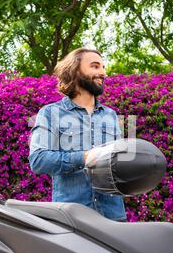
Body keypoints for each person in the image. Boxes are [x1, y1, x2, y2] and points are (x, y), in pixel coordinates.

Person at [28, 47, 127, 222]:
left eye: (103, 67)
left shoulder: (111, 115)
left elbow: (118, 163)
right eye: (95, 67)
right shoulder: (50, 113)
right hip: (72, 219)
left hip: (113, 217)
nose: (103, 73)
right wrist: (85, 157)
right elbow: (38, 160)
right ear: (75, 70)